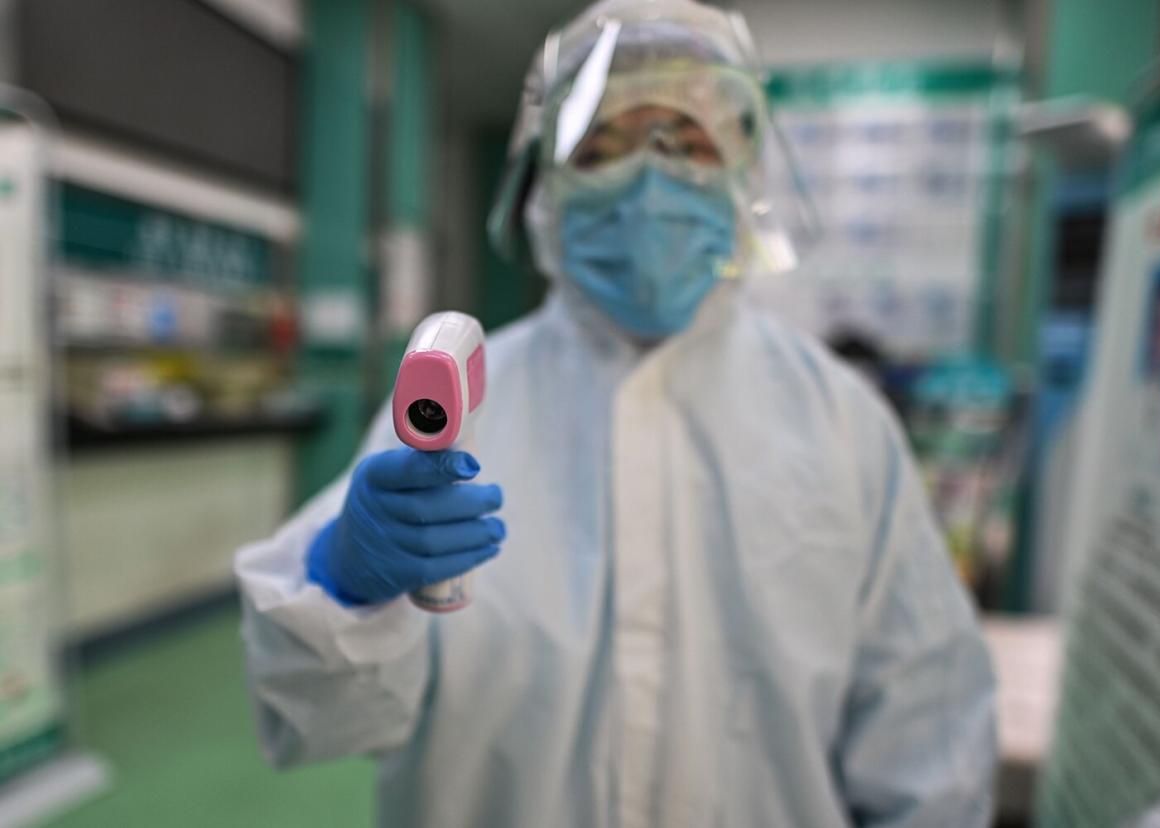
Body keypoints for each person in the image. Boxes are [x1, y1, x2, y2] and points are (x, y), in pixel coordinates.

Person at [235, 1, 997, 825]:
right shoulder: (462, 398)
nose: (648, 182)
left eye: (688, 144)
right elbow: (337, 719)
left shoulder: (842, 422)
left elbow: (928, 733)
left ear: (746, 173)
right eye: (603, 149)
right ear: (546, 186)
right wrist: (346, 585)